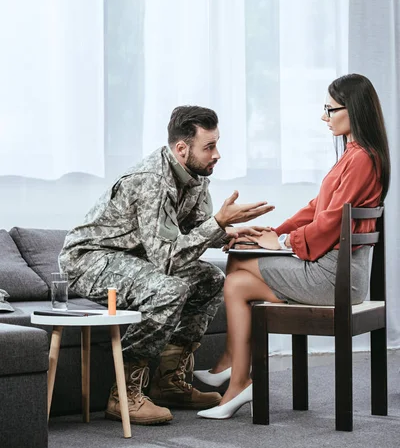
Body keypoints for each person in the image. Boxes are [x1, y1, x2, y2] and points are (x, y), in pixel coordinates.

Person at [59, 105, 273, 425]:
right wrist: (217, 223)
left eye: (217, 144)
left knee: (211, 280)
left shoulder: (197, 177)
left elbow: (194, 231)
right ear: (181, 148)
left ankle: (167, 381)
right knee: (168, 288)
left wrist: (229, 233)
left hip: (133, 258)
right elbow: (168, 258)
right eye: (209, 146)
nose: (217, 154)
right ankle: (124, 394)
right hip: (89, 259)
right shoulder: (152, 180)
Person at [196, 74, 390, 420]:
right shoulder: (354, 154)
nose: (324, 116)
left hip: (337, 278)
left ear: (354, 110)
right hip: (334, 270)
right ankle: (234, 372)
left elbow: (330, 222)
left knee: (237, 277)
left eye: (330, 109)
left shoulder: (361, 158)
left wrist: (285, 242)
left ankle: (235, 374)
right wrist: (275, 231)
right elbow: (318, 208)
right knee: (238, 268)